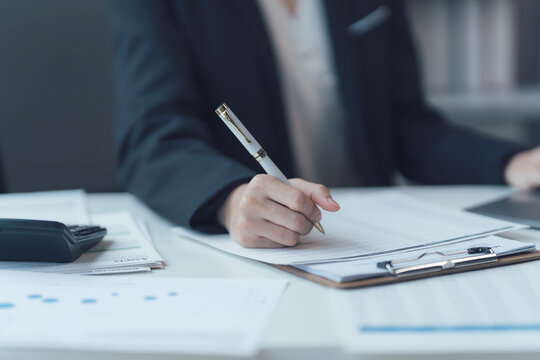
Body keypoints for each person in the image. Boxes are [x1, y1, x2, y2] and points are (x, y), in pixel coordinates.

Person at [110, 0, 540, 249]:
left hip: (374, 237)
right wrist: (231, 200)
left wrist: (513, 162)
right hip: (262, 246)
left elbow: (407, 127)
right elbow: (153, 136)